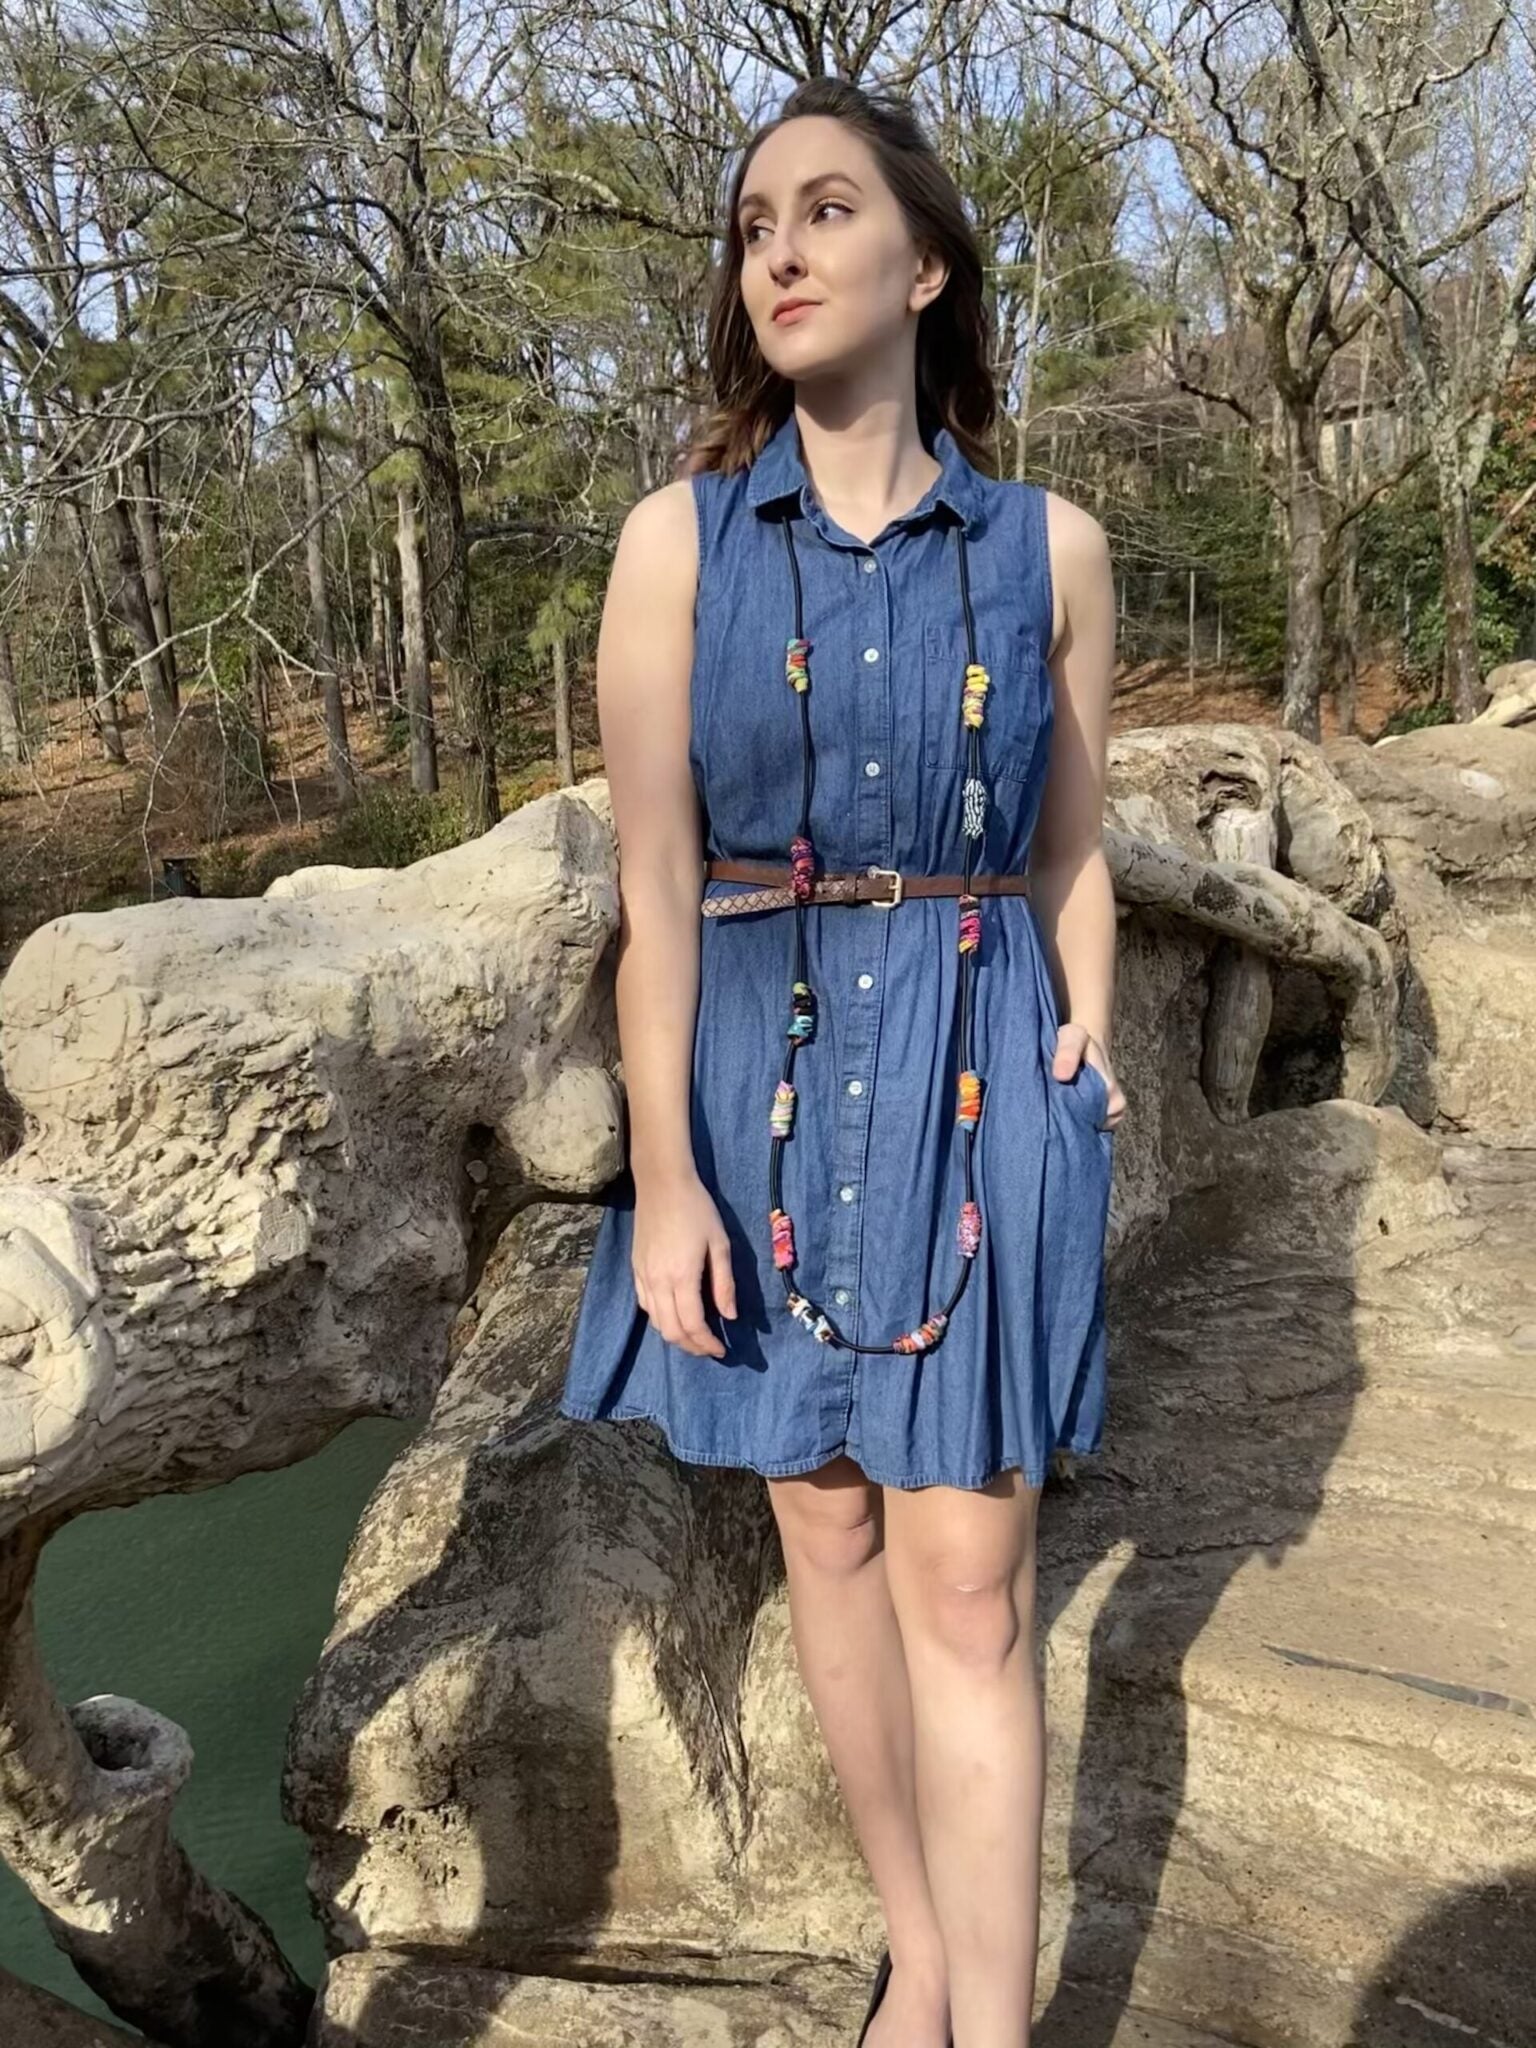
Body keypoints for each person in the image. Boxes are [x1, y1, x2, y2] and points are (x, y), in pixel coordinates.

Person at [559, 73, 1122, 2048]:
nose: (778, 254)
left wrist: (1088, 1053)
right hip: (757, 1080)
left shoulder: (1050, 549)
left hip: (978, 1073)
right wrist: (668, 1176)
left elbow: (1070, 847)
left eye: (823, 211)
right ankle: (926, 1955)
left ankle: (994, 2029)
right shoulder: (677, 547)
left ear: (926, 264)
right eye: (752, 228)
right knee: (827, 1525)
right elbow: (651, 885)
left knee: (971, 1583)